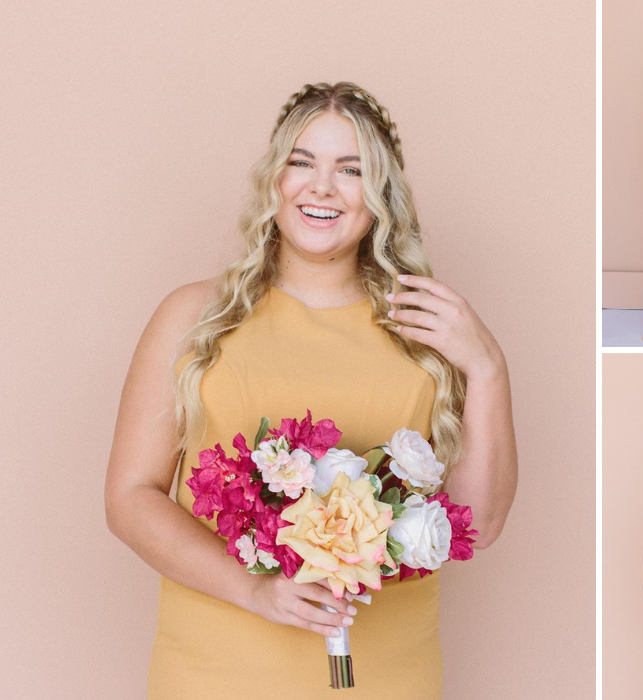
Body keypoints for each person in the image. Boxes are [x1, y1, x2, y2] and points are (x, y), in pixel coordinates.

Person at [104, 82, 518, 699]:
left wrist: (487, 367)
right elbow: (131, 498)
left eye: (350, 170)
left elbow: (476, 526)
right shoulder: (195, 316)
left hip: (388, 674)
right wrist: (254, 589)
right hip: (217, 672)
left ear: (379, 195)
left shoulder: (429, 330)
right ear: (275, 179)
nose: (321, 187)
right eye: (302, 162)